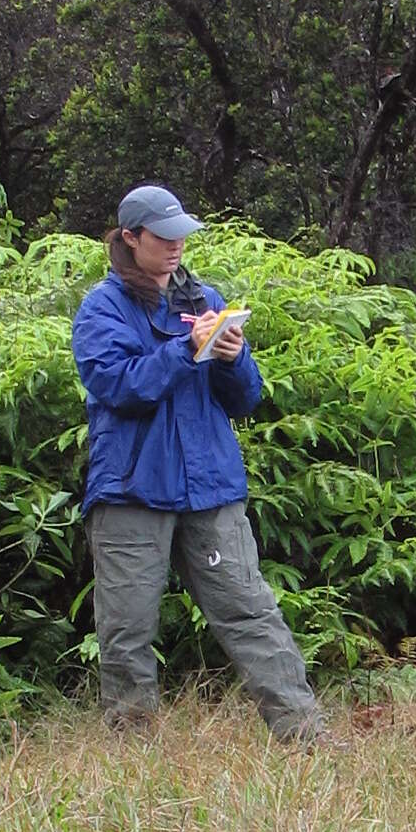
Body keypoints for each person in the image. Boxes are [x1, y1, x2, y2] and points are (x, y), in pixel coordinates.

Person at [71, 183, 330, 739]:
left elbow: (245, 399)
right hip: (131, 490)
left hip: (209, 486)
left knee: (250, 610)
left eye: (181, 236)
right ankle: (133, 751)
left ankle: (304, 735)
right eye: (163, 237)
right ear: (130, 238)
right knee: (127, 628)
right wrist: (187, 350)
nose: (175, 247)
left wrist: (233, 360)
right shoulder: (101, 308)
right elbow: (119, 386)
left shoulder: (206, 299)